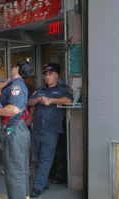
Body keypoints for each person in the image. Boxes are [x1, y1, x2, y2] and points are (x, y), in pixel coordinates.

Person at [28, 63, 73, 198]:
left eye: (51, 74)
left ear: (56, 75)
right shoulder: (40, 89)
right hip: (37, 128)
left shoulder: (62, 89)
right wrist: (38, 99)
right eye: (46, 74)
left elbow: (69, 100)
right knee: (36, 157)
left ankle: (38, 186)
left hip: (51, 130)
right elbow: (29, 102)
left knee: (46, 158)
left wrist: (51, 100)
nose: (48, 77)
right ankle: (44, 180)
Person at [0, 60, 34, 199]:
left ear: (16, 68)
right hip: (17, 129)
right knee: (20, 170)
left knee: (13, 172)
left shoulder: (16, 86)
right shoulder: (13, 83)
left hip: (15, 130)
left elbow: (14, 109)